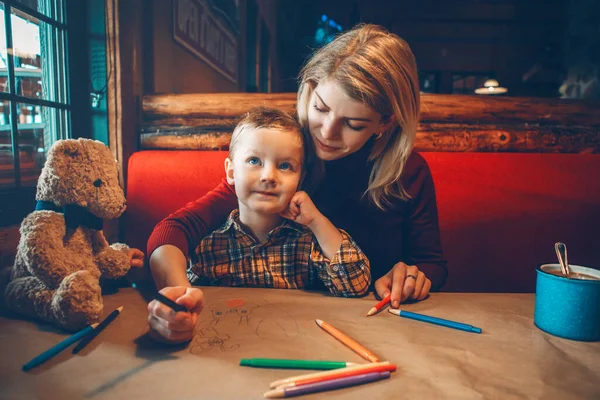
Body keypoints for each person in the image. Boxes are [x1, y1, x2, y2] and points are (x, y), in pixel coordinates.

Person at [146, 23, 447, 343]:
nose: (327, 133)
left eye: (354, 124)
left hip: (378, 326)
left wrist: (414, 275)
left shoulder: (409, 172)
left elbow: (432, 262)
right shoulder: (286, 153)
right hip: (288, 329)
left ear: (385, 123)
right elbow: (175, 229)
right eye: (321, 108)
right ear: (309, 90)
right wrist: (178, 299)